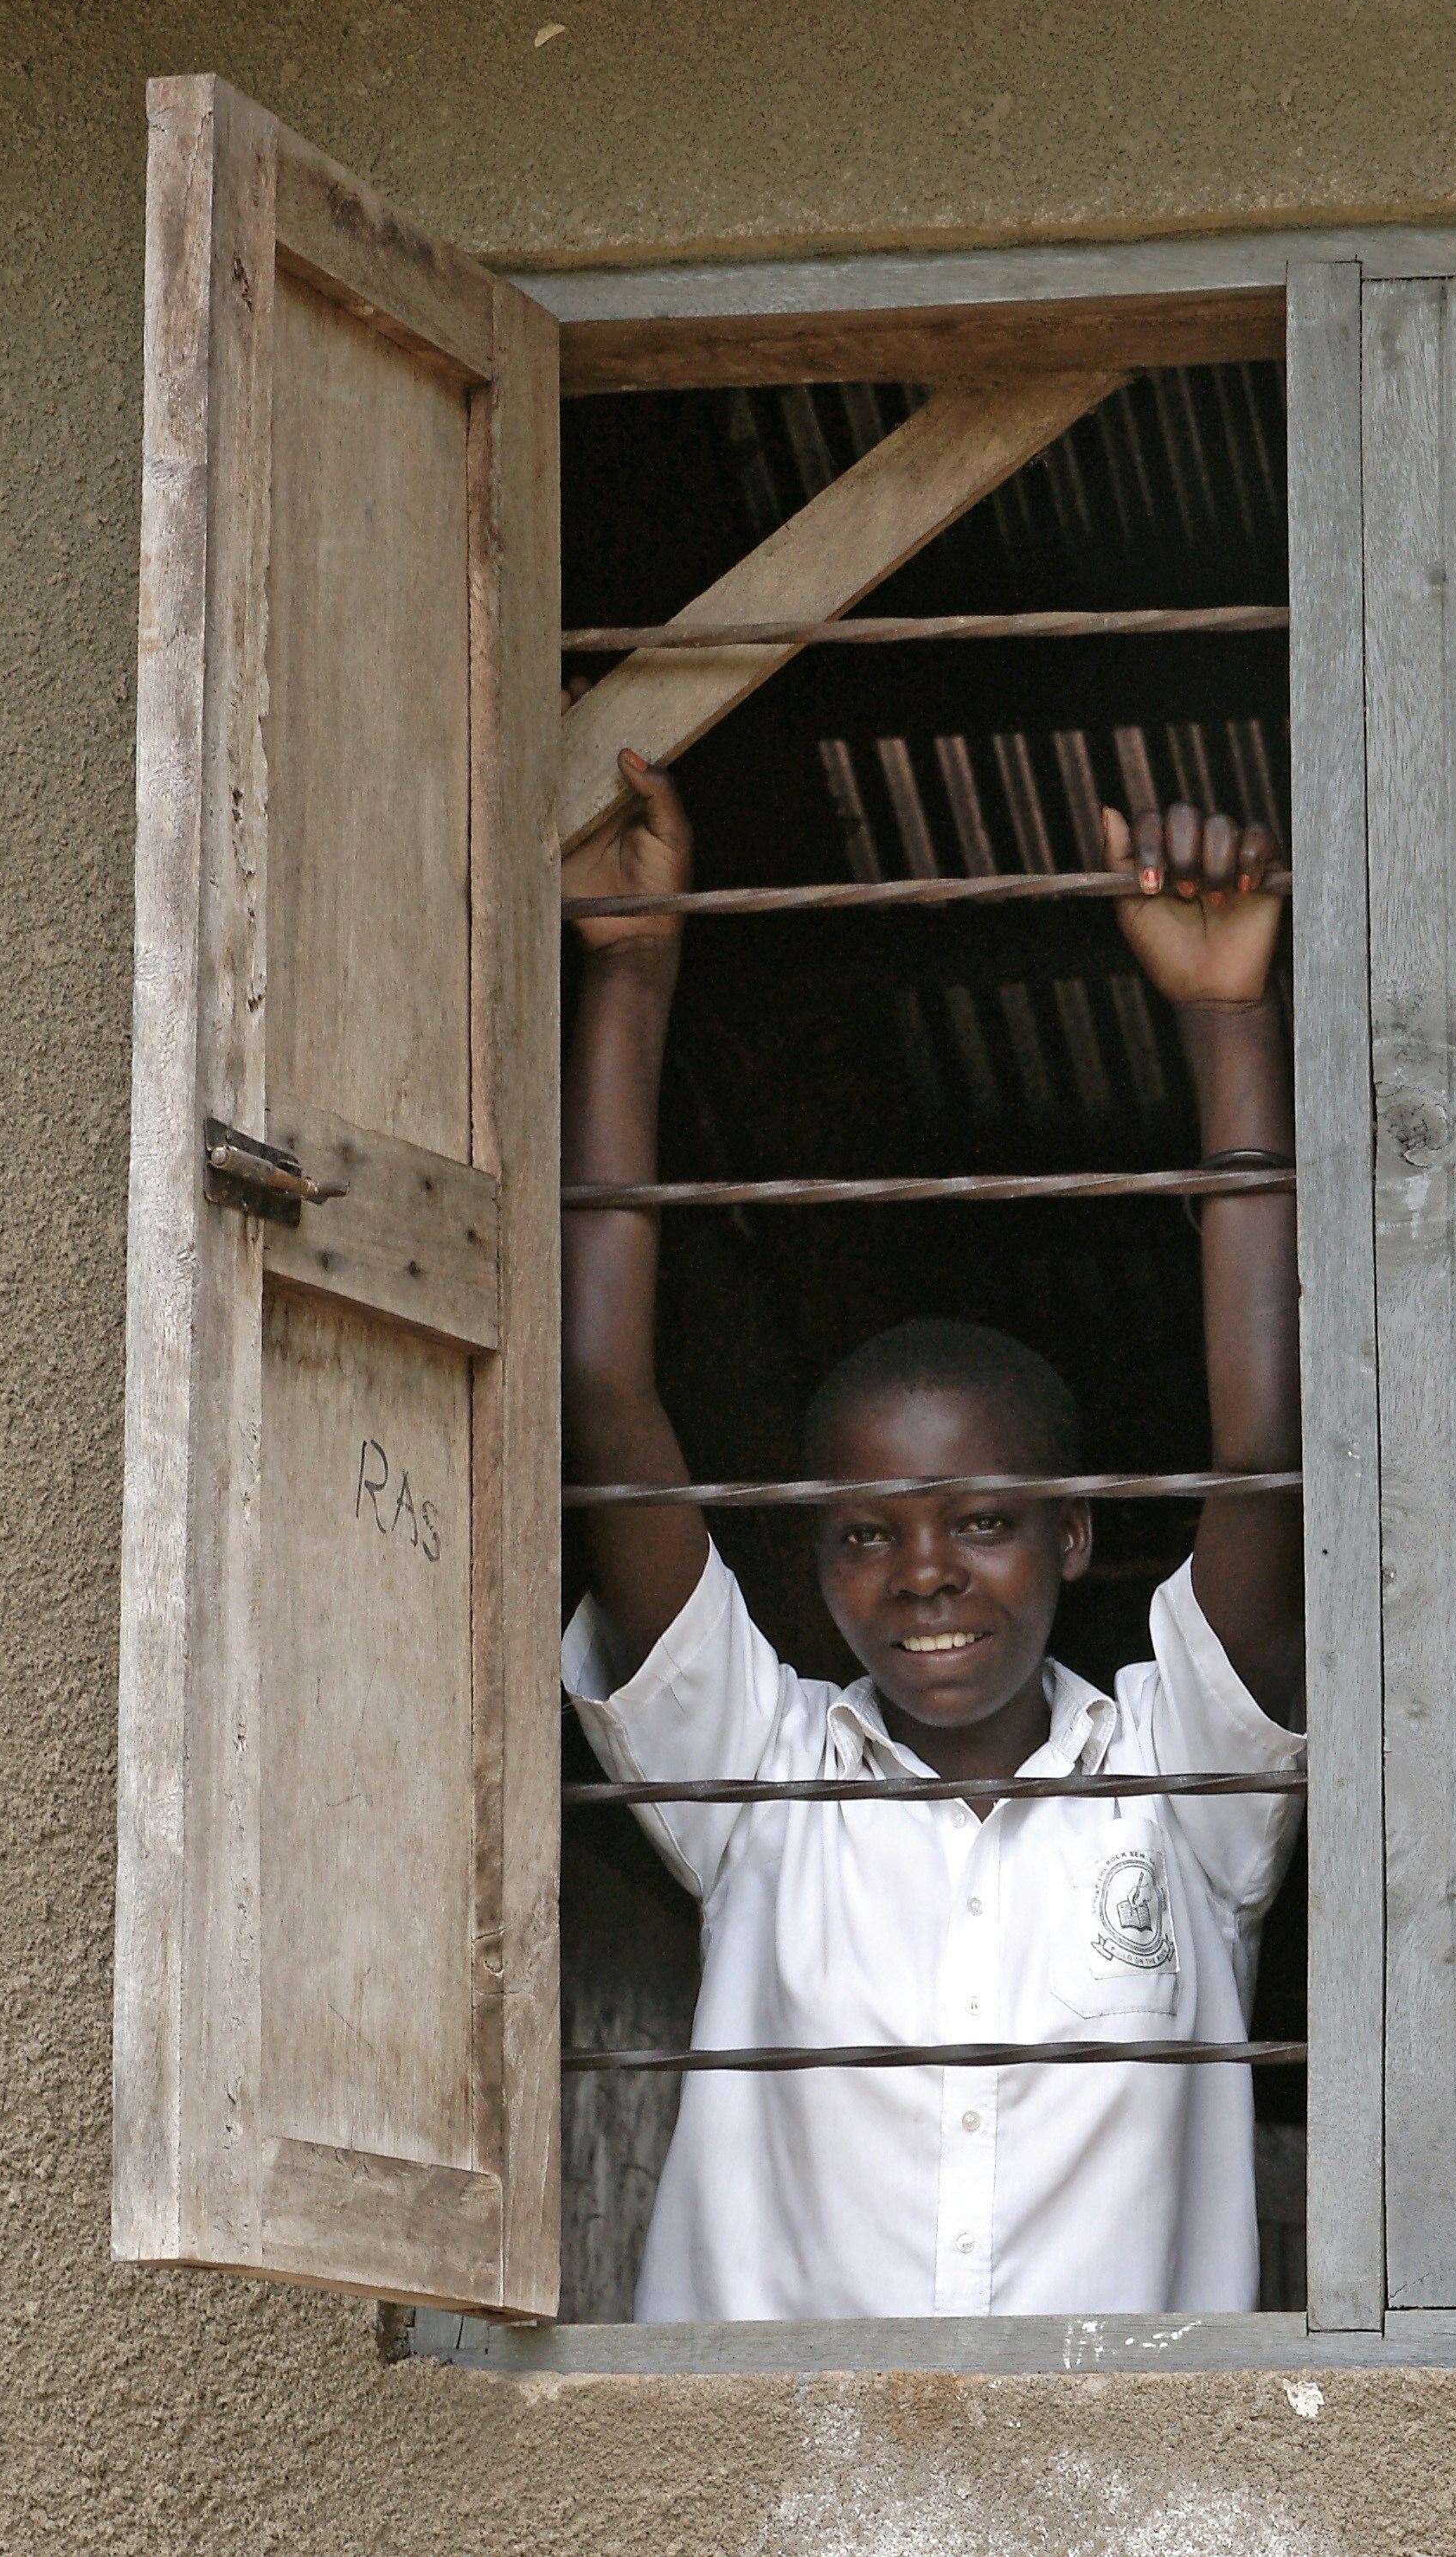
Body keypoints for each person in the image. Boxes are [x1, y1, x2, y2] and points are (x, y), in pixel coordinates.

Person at [558, 749, 1303, 2323]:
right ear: (814, 1562)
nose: (925, 1575)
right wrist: (631, 971)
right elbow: (602, 1386)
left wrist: (1229, 1020)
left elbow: (1267, 1446)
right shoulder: (758, 1782)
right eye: (865, 1535)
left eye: (983, 1521)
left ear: (1075, 1539)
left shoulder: (1183, 1790)